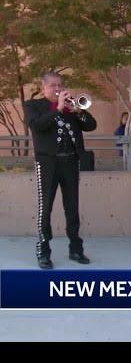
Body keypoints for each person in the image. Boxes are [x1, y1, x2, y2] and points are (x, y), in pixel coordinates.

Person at [24, 72, 97, 269]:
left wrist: (78, 111)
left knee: (72, 208)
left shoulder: (71, 108)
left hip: (71, 162)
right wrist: (58, 109)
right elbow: (37, 126)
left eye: (61, 85)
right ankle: (43, 251)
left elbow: (91, 125)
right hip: (47, 163)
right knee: (45, 208)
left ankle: (76, 249)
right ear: (43, 87)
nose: (58, 89)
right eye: (53, 85)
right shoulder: (33, 106)